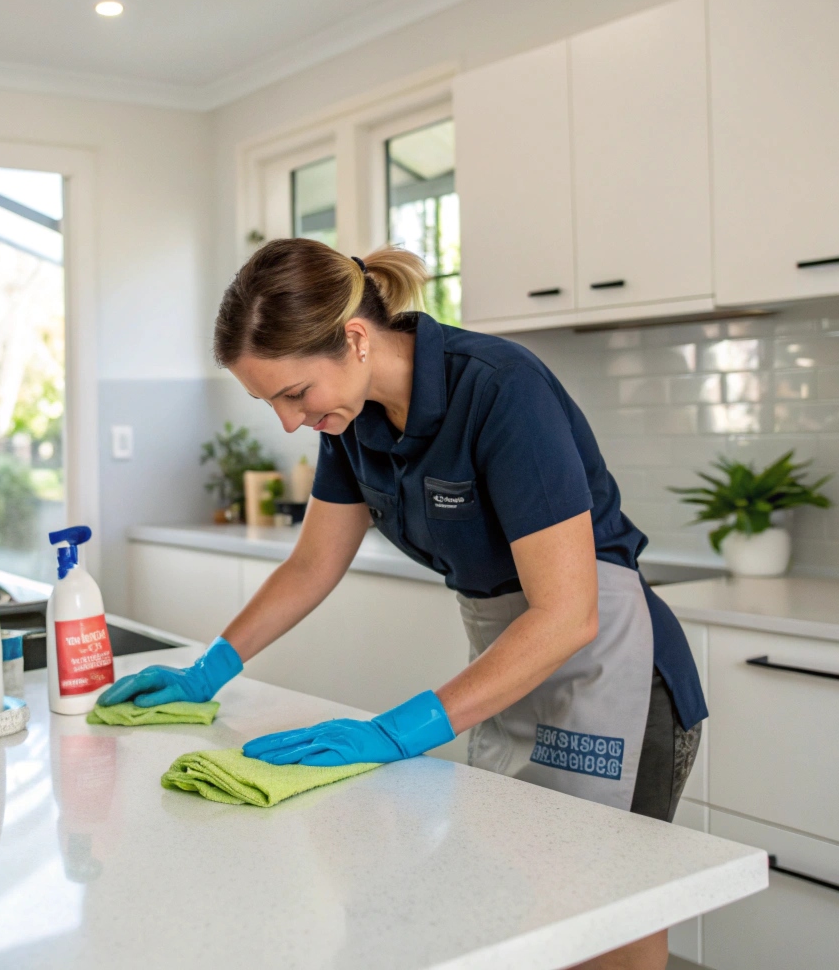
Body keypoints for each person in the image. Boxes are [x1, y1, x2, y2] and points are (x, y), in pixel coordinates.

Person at [99, 239, 706, 970]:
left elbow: (568, 614)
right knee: (522, 902)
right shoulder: (351, 421)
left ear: (354, 338)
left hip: (613, 667)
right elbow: (312, 564)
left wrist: (397, 731)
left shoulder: (499, 388)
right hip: (508, 665)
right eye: (271, 403)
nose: (291, 421)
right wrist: (210, 668)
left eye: (295, 394)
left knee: (607, 914)